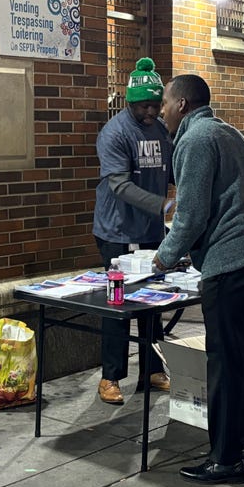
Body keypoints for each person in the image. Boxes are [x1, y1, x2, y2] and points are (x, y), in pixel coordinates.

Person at [153, 74, 244, 484]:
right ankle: (243, 443)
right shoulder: (229, 133)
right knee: (240, 356)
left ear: (183, 105)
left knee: (223, 361)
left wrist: (164, 257)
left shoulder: (194, 140)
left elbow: (190, 214)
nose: (161, 111)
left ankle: (224, 459)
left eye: (166, 103)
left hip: (233, 262)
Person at [92, 57, 174, 404]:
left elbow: (171, 173)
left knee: (153, 303)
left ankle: (152, 369)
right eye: (145, 105)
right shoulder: (115, 133)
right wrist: (163, 205)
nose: (152, 111)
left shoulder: (160, 130)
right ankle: (110, 377)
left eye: (156, 104)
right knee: (119, 304)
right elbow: (119, 186)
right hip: (117, 231)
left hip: (151, 230)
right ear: (130, 102)